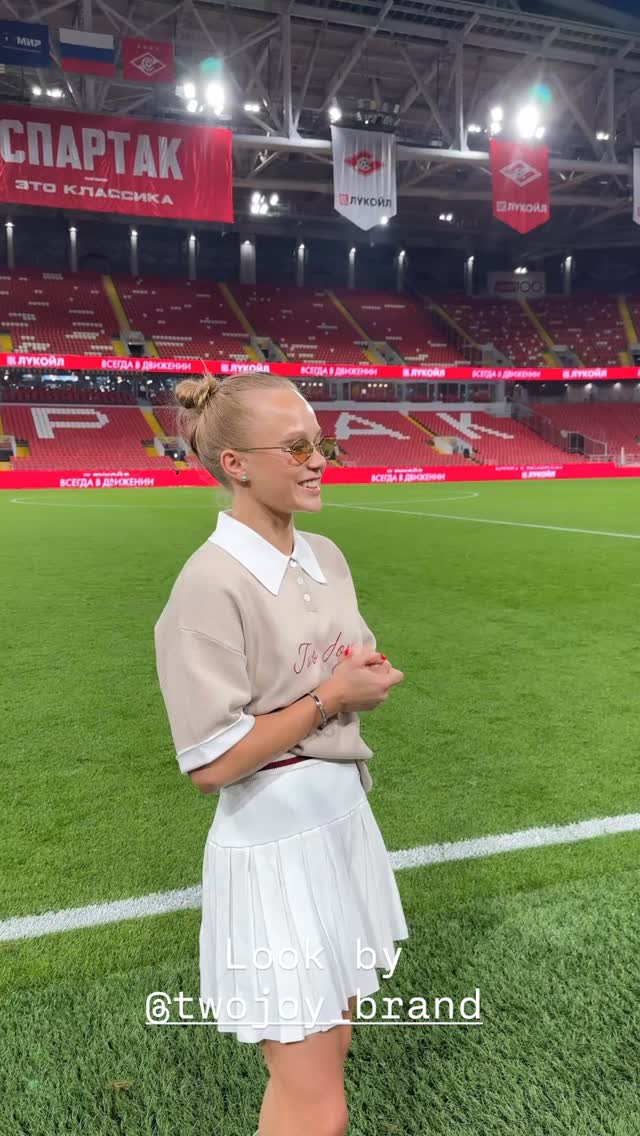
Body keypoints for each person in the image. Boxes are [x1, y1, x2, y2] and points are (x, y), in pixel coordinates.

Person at [154, 370, 409, 1136]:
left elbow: (348, 663)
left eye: (320, 443)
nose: (318, 460)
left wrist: (362, 678)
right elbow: (211, 763)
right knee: (313, 1101)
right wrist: (332, 696)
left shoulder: (325, 554)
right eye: (296, 447)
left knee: (332, 1055)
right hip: (276, 851)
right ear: (235, 464)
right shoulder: (207, 586)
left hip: (342, 822)